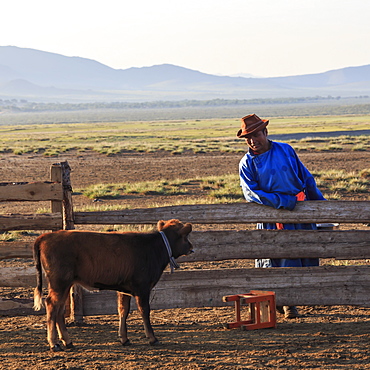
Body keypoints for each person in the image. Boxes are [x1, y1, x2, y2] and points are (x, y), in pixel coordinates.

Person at [237, 114, 326, 319]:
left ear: (265, 133)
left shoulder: (285, 150)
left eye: (256, 135)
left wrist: (320, 205)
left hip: (300, 212)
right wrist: (281, 202)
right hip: (272, 217)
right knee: (281, 257)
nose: (252, 141)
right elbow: (251, 193)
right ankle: (287, 304)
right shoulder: (247, 163)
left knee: (304, 253)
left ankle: (292, 299)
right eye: (248, 138)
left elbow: (306, 178)